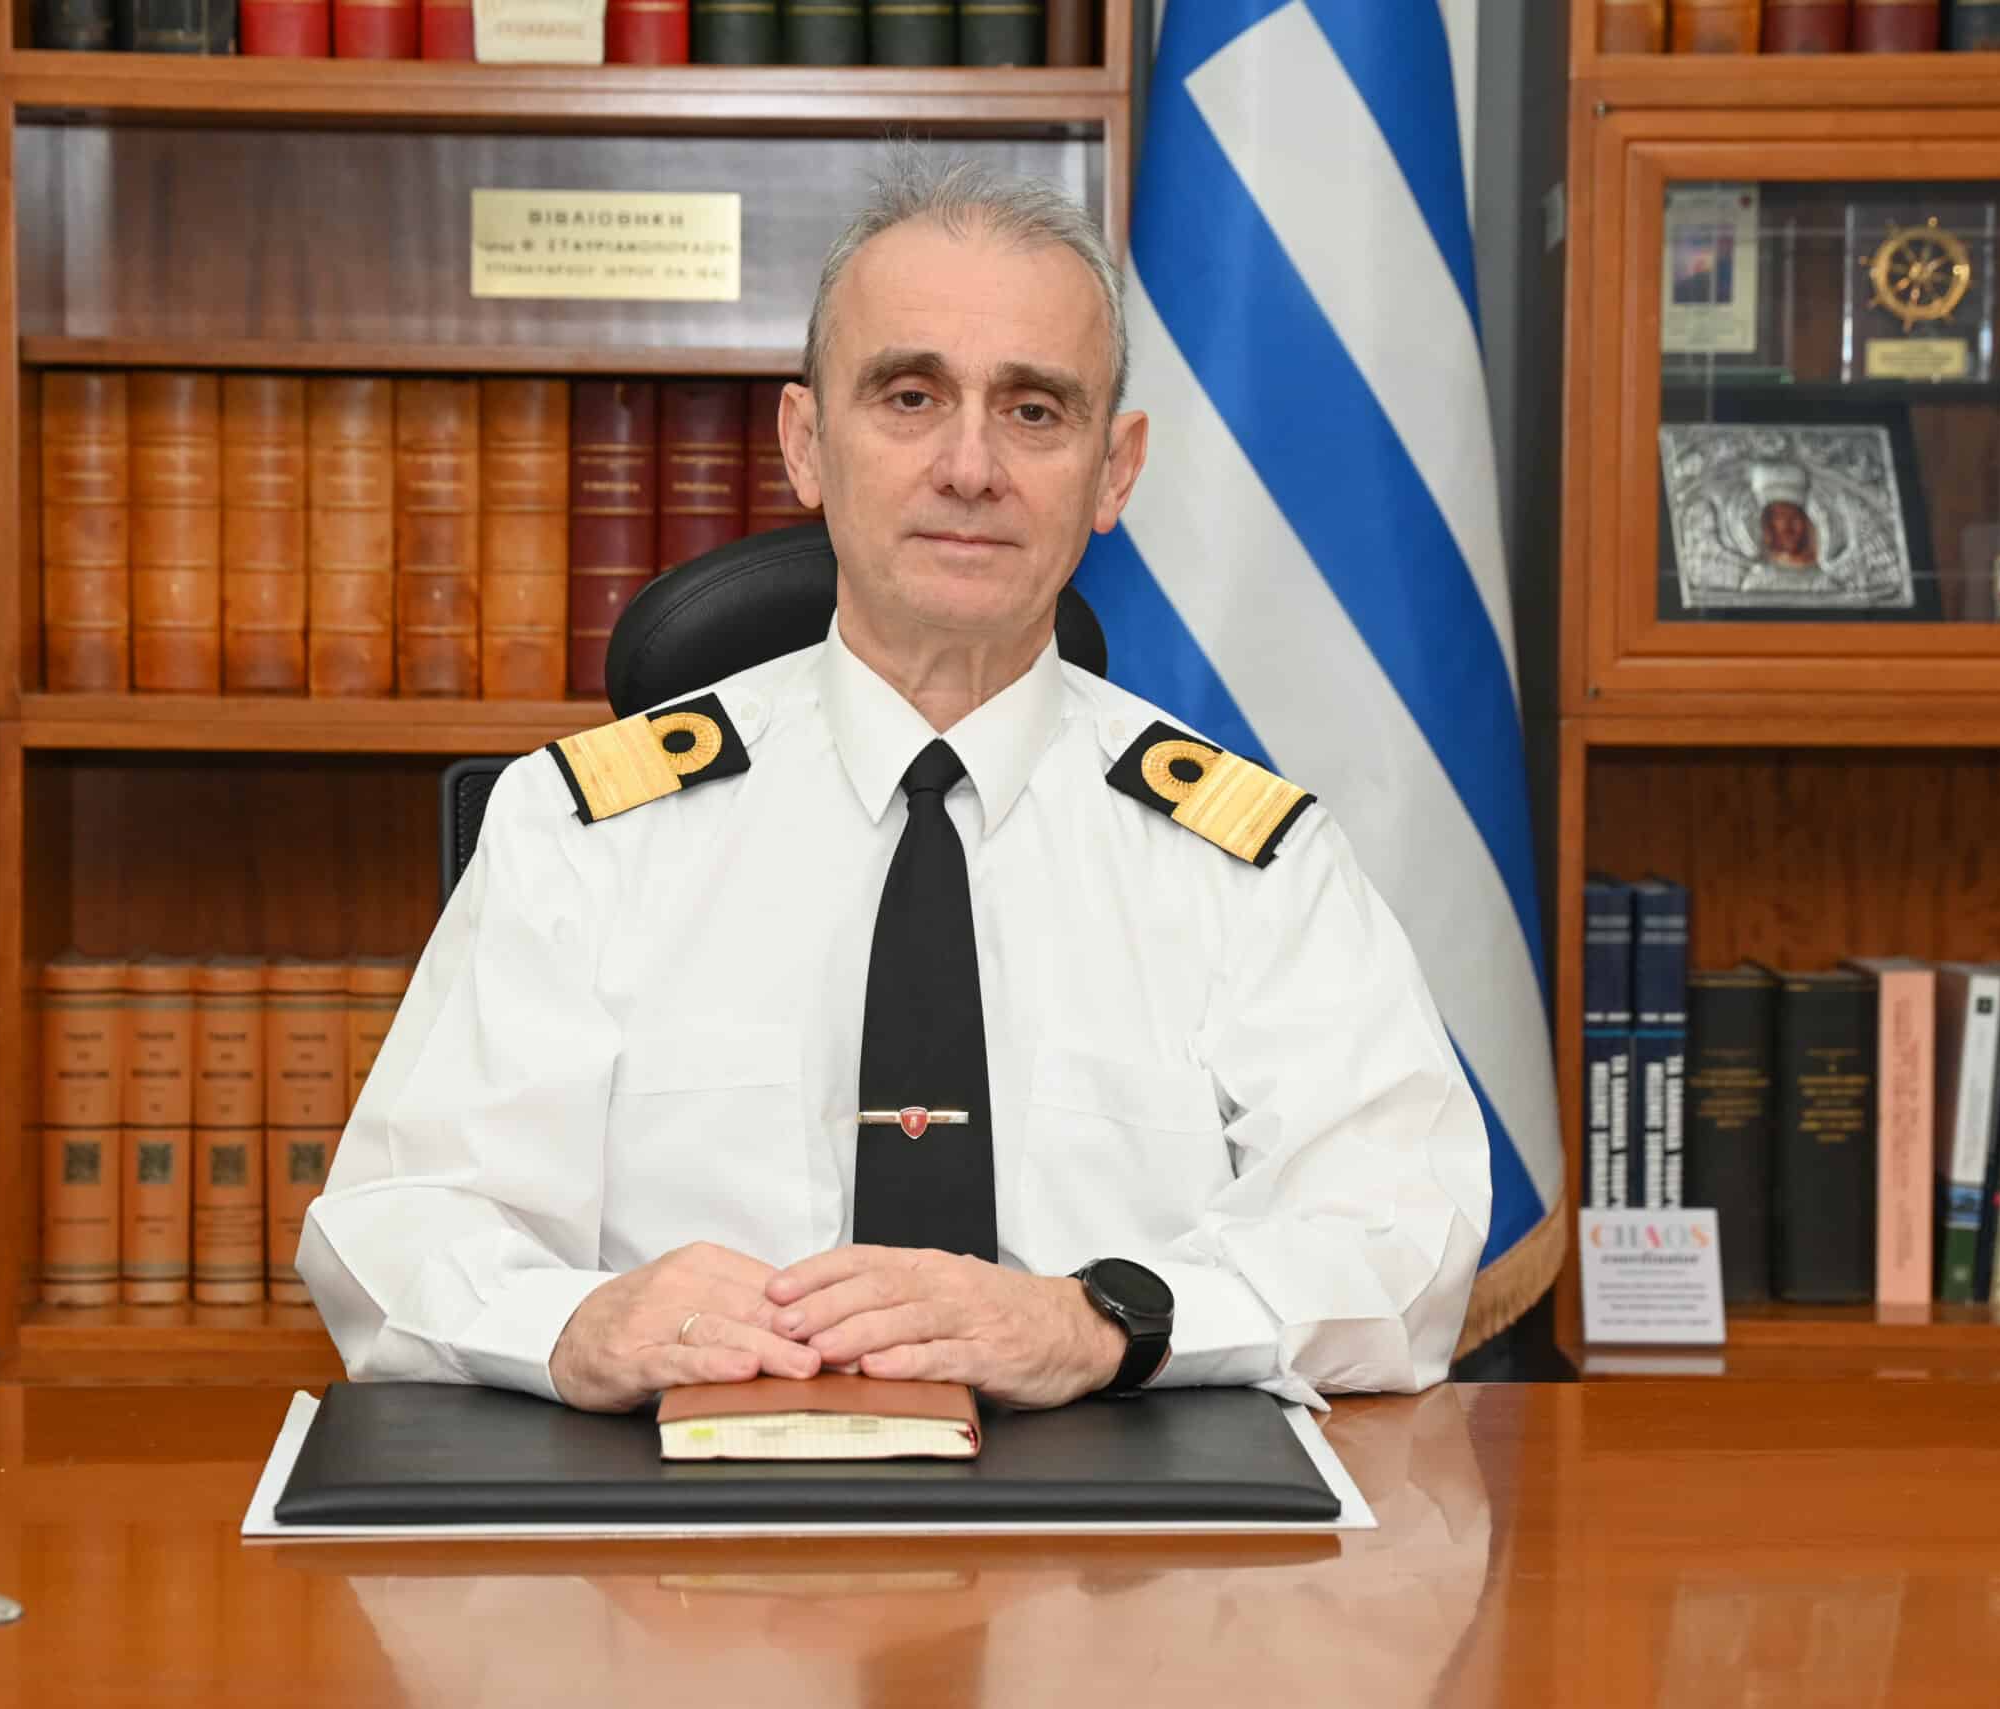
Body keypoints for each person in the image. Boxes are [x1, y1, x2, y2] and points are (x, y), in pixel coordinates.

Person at [297, 155, 1490, 1415]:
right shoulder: (585, 832)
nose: (970, 466)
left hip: (1126, 1516)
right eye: (910, 397)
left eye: (1035, 411)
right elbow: (395, 1224)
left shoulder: (1251, 861)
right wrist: (578, 1322)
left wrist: (1101, 1318)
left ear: (1115, 471)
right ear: (805, 443)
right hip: (683, 1511)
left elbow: (1404, 1239)